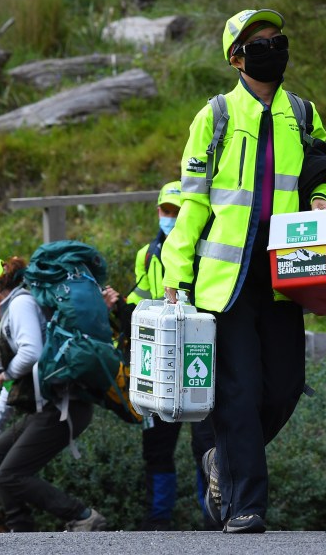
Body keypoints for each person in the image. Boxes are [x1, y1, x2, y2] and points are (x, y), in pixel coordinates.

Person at [160, 9, 326, 534]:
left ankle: (221, 457)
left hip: (287, 271)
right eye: (258, 43)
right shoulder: (212, 116)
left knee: (283, 386)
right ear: (236, 58)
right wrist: (176, 272)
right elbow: (191, 206)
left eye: (277, 39)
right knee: (237, 391)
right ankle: (245, 506)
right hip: (225, 280)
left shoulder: (303, 113)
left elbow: (320, 174)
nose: (272, 48)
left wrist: (323, 201)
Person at [103, 181, 217, 530]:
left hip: (199, 357)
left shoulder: (210, 249)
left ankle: (213, 517)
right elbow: (142, 308)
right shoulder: (147, 254)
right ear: (158, 211)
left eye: (179, 211)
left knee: (206, 449)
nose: (172, 217)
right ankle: (158, 522)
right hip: (161, 364)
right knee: (156, 448)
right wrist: (119, 306)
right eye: (167, 210)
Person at [0, 256, 106, 532]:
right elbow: (14, 387)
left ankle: (83, 516)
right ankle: (21, 530)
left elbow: (32, 353)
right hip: (47, 407)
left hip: (64, 406)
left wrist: (7, 372)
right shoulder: (12, 311)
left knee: (11, 474)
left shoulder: (19, 305)